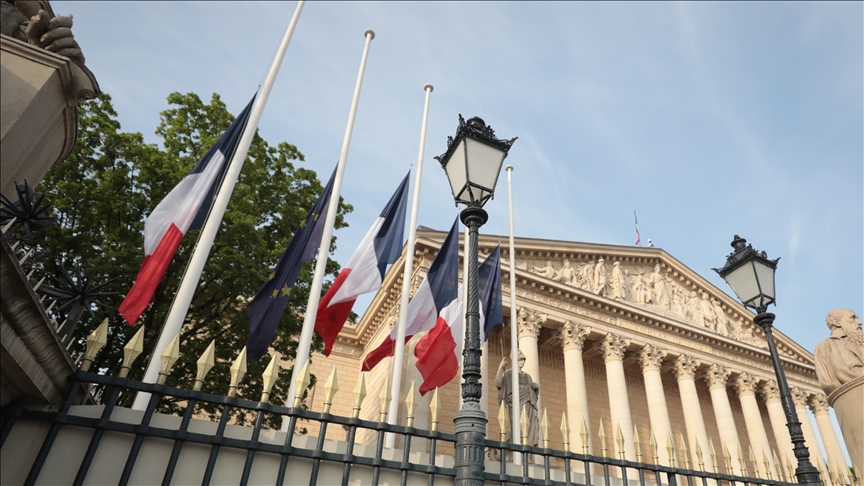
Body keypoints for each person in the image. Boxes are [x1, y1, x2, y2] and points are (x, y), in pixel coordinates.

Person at [814, 308, 864, 395]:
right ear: (837, 323)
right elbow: (839, 377)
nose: (859, 322)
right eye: (853, 318)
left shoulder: (859, 343)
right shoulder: (827, 346)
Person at [496, 350, 540, 446]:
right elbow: (498, 383)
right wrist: (501, 367)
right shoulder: (508, 374)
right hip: (516, 405)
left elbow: (534, 396)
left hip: (528, 404)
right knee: (518, 428)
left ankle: (527, 452)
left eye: (524, 360)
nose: (523, 362)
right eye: (520, 360)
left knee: (528, 427)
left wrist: (535, 389)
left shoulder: (528, 376)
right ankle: (516, 451)